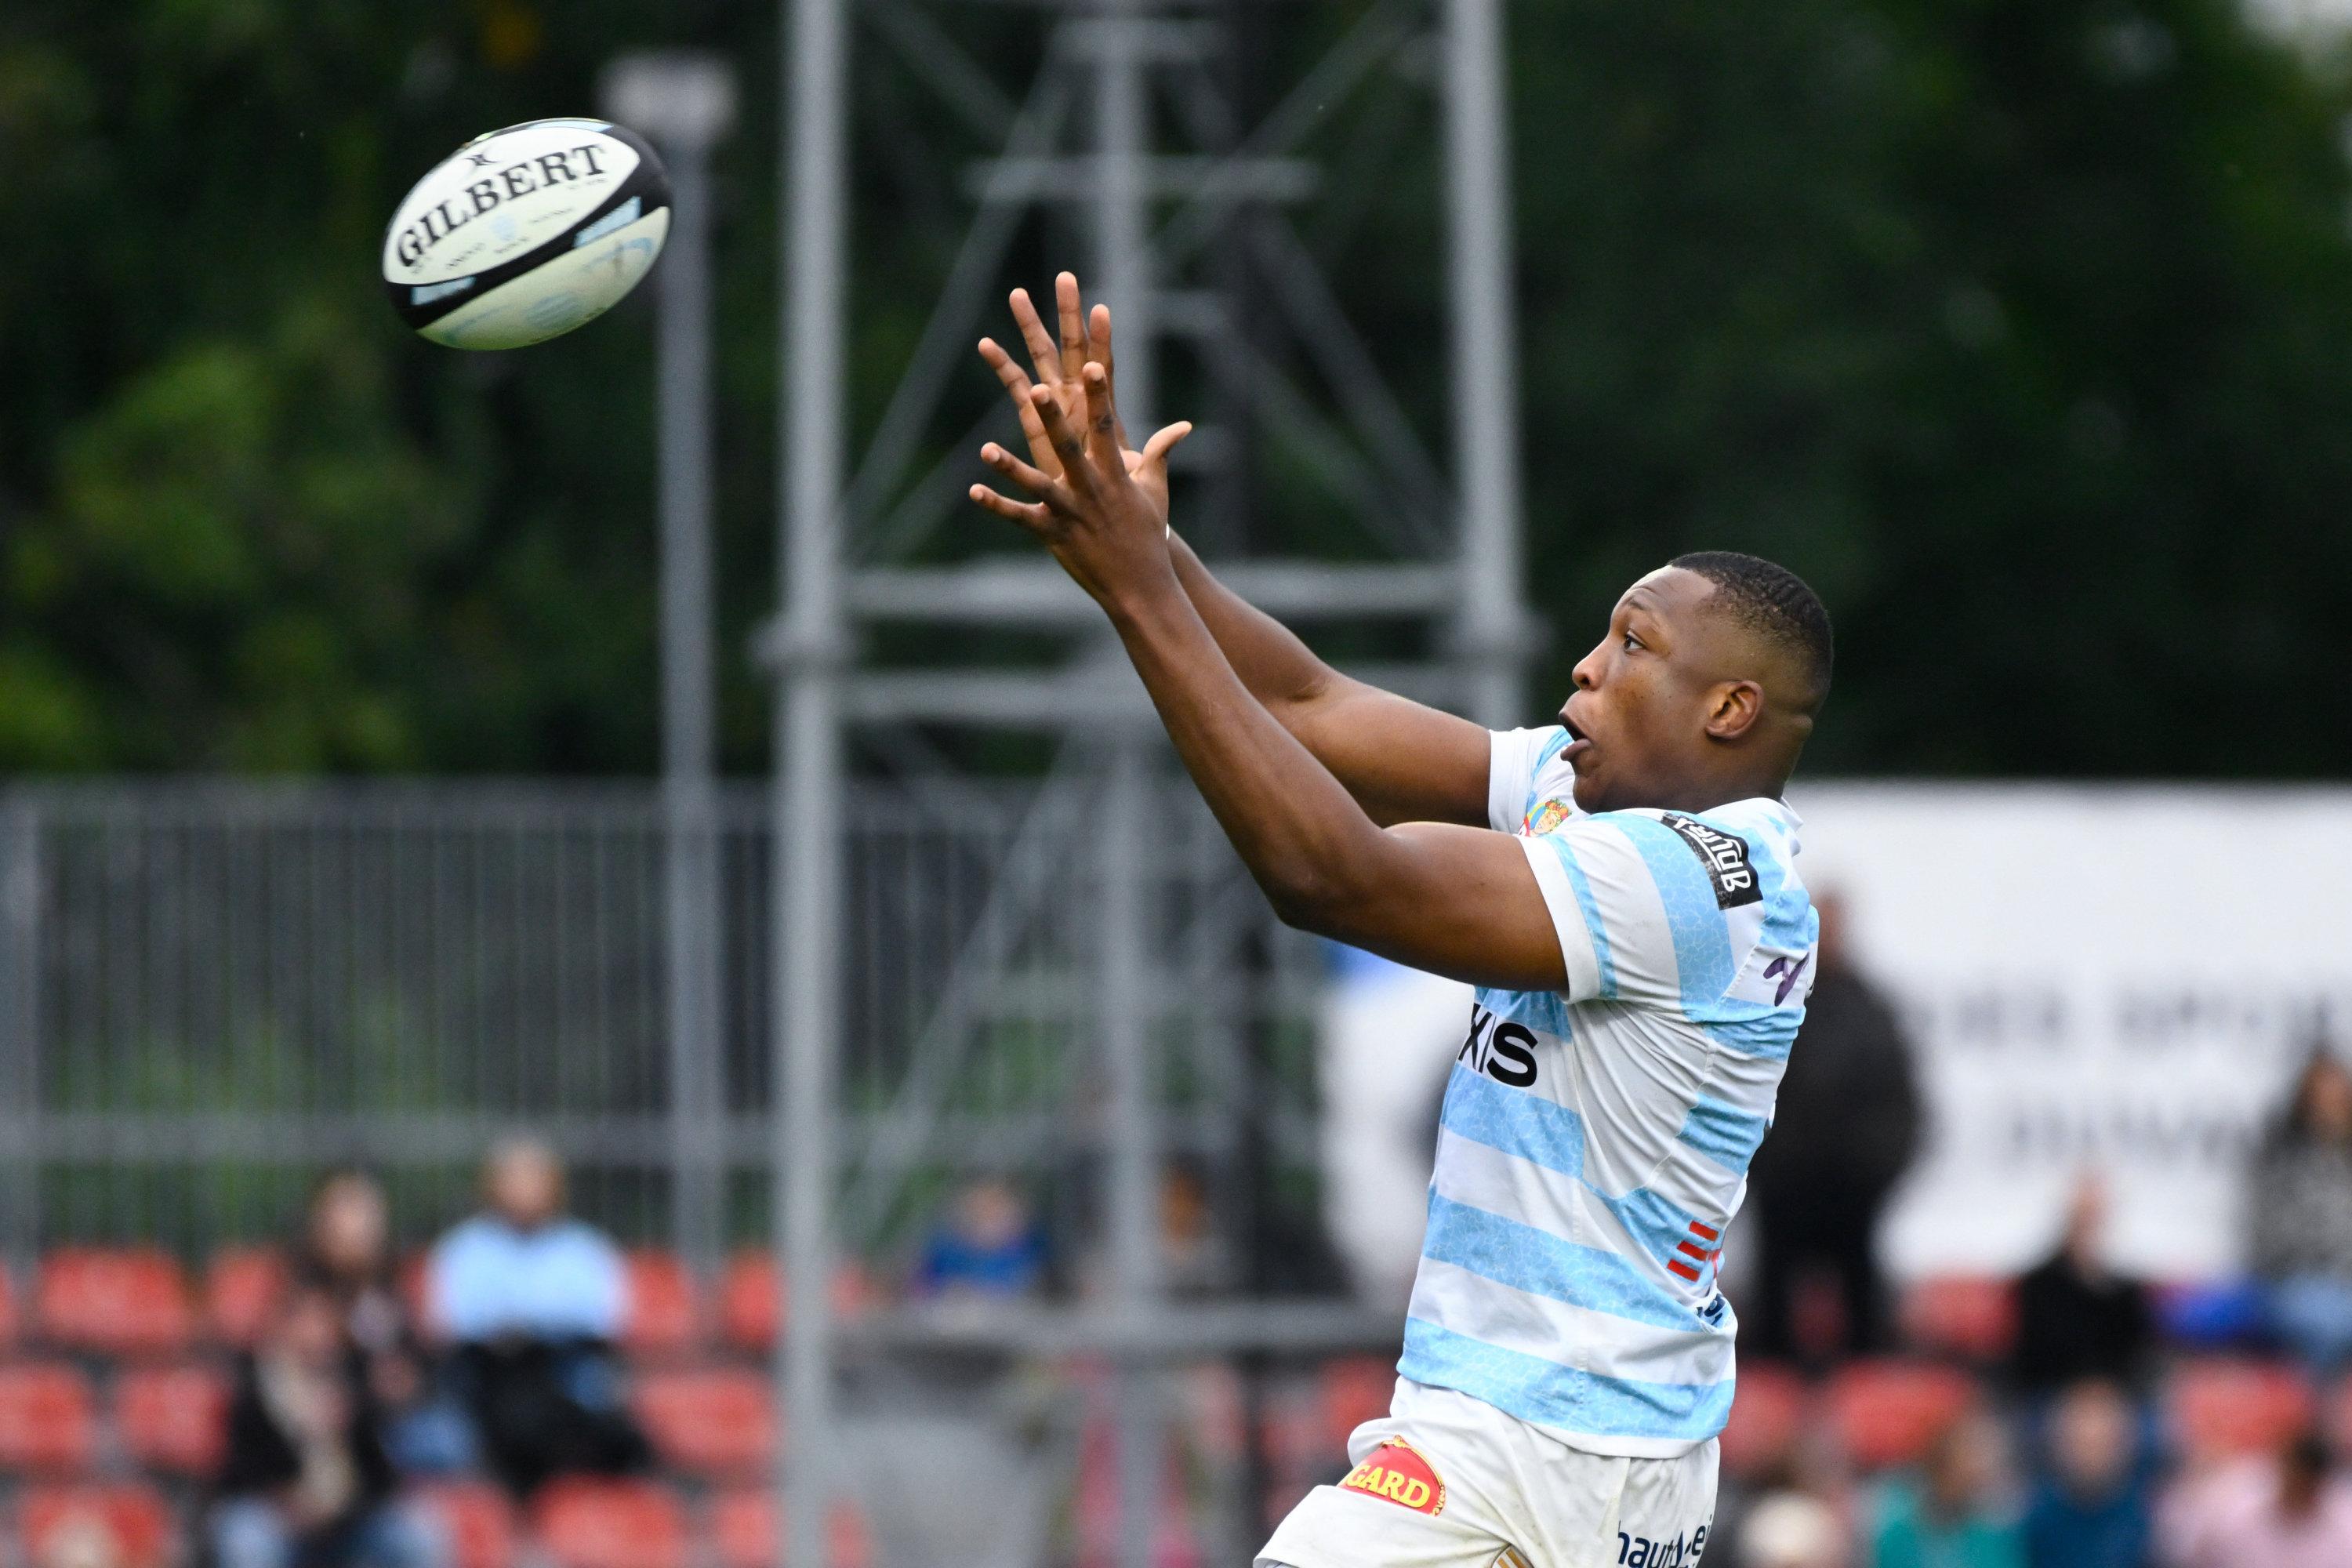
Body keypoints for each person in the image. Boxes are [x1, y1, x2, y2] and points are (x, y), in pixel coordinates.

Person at [971, 275, 1831, 1568]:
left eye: (1635, 645)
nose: (1589, 667)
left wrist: (1139, 597)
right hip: (1575, 1447)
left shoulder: (1695, 881)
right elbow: (1311, 705)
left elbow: (1338, 879)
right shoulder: (1584, 797)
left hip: (1539, 1452)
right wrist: (1148, 550)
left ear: (1728, 714)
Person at [1744, 889, 1919, 1359]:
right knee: (1771, 1327)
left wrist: (1871, 1173)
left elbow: (1903, 1107)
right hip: (1783, 1192)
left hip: (1854, 1196)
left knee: (1865, 1330)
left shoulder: (1872, 1012)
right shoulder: (1765, 1001)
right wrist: (1765, 1168)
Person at [426, 1138, 648, 1498]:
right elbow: (453, 1330)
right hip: (493, 1384)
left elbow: (604, 1329)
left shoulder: (585, 1250)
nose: (524, 1189)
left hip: (567, 1382)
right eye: (514, 1177)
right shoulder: (464, 1251)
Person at [210, 1282, 445, 1568]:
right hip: (278, 1517)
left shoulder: (352, 1380)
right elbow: (240, 1470)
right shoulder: (255, 1388)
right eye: (305, 1320)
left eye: (323, 1320)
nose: (316, 1331)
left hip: (347, 1520)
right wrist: (288, 1501)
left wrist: (349, 1428)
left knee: (415, 1533)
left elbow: (378, 1474)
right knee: (246, 1537)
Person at [296, 1170, 472, 1475]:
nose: (356, 1229)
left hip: (390, 1438)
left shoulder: (395, 1290)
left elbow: (416, 1371)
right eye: (344, 1214)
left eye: (365, 1215)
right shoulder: (296, 1294)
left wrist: (405, 1382)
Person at [2247, 1047, 2352, 1371]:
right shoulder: (2280, 1161)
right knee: (2323, 1321)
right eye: (2323, 1097)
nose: (2332, 1107)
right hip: (2300, 1282)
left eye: (2339, 1098)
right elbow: (2269, 1238)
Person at [2010, 1178, 2154, 1397]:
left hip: (2110, 1398)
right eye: (2083, 1216)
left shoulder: (2124, 1288)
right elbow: (2033, 1357)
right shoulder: (2036, 1284)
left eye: (2095, 1216)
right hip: (2051, 1395)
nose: (2089, 1225)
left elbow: (2133, 1353)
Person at [2158, 1430, 2352, 1568]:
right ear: (2284, 1468)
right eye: (2294, 1475)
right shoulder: (2233, 1500)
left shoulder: (2345, 1527)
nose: (2298, 1486)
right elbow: (2183, 1552)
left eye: (2307, 1482)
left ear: (2320, 1483)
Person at [1868, 1406, 2024, 1568]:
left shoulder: (1994, 1535)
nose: (1977, 1477)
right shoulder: (1896, 1536)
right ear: (1942, 1466)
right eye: (1968, 1464)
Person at [2021, 1379, 2151, 1568]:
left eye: (2101, 1442)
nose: (2091, 1456)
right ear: (2058, 1444)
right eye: (2081, 1443)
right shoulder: (2031, 1520)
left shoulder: (2151, 1517)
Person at [910, 1175, 1047, 1299]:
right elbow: (925, 1283)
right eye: (981, 1207)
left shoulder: (1026, 1250)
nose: (987, 1214)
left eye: (994, 1207)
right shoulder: (946, 1250)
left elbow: (1027, 1286)